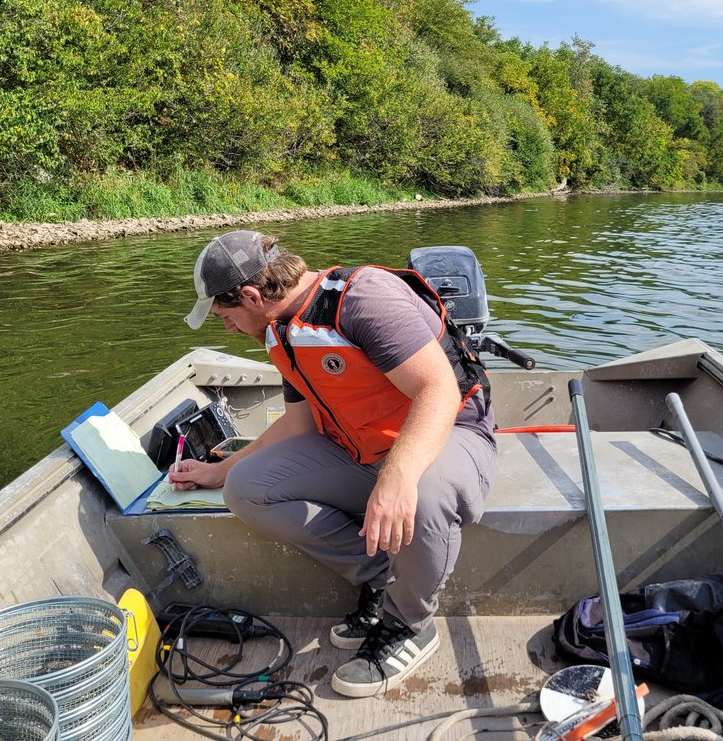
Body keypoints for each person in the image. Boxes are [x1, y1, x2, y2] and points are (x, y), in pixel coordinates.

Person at [173, 229, 497, 697]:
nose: (226, 327)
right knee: (246, 488)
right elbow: (299, 423)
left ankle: (410, 623)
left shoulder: (364, 299)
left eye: (225, 315)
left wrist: (398, 477)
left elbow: (439, 390)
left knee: (422, 492)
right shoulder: (280, 331)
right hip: (360, 448)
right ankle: (380, 577)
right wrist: (221, 469)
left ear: (250, 295)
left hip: (453, 434)